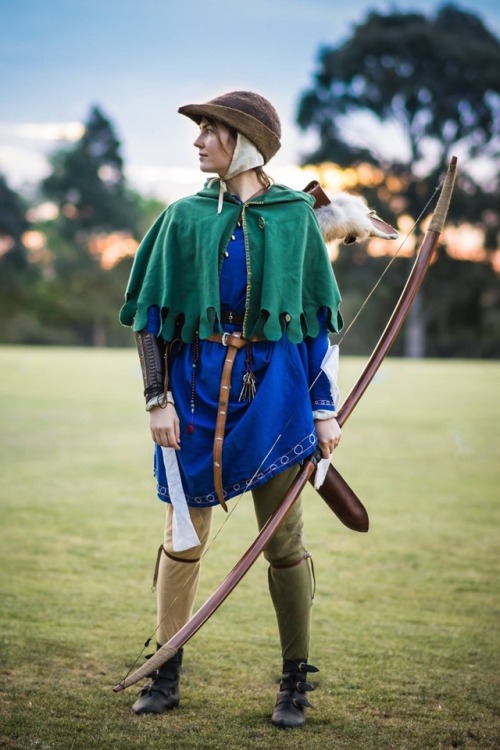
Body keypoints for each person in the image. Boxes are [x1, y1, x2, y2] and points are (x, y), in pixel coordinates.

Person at [120, 90, 374, 729]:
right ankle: (165, 668)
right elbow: (149, 319)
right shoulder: (182, 217)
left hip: (277, 398)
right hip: (195, 395)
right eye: (200, 129)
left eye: (212, 131)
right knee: (184, 537)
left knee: (283, 541)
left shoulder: (294, 219)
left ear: (249, 144)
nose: (199, 141)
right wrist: (158, 399)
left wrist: (323, 412)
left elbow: (315, 329)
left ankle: (295, 681)